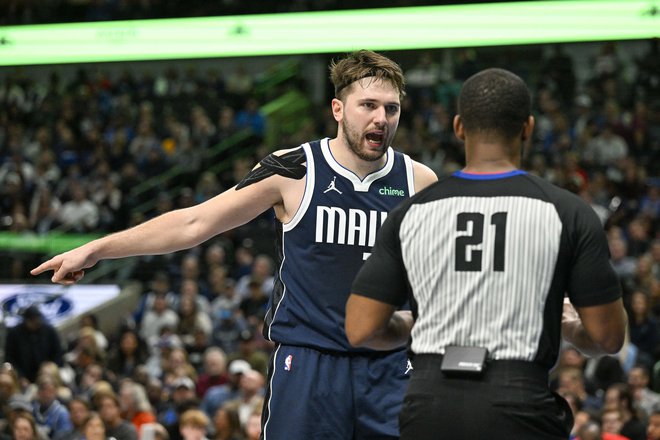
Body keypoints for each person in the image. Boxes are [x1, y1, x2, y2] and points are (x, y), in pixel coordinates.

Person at [31, 49, 437, 438]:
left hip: (389, 367)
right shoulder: (293, 169)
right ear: (337, 109)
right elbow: (195, 222)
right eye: (368, 105)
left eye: (391, 108)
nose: (381, 118)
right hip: (309, 362)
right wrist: (98, 248)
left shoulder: (419, 181)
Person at [345, 67, 627, 439]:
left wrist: (424, 320)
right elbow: (608, 337)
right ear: (527, 128)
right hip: (518, 401)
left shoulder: (412, 212)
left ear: (459, 127)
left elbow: (360, 328)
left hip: (430, 404)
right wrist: (566, 324)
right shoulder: (568, 212)